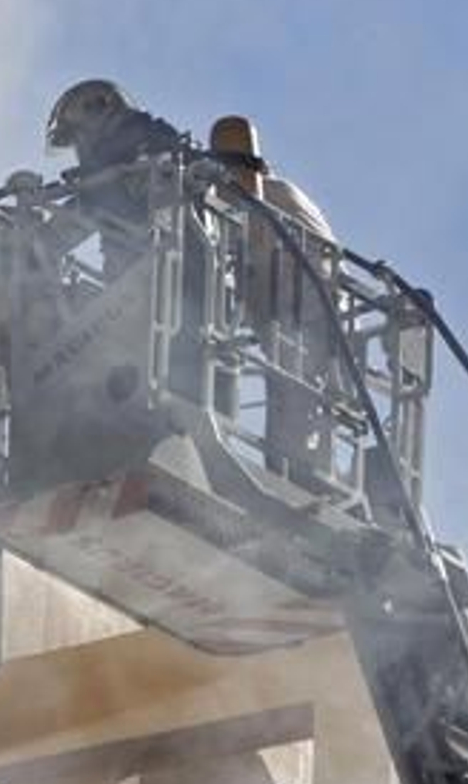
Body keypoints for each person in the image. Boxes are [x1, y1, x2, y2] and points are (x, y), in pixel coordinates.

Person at [210, 114, 338, 484]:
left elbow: (265, 254)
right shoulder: (266, 201)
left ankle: (304, 479)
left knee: (295, 422)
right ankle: (305, 476)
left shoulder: (270, 201)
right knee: (294, 420)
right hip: (300, 324)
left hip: (307, 319)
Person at [44, 78, 186, 278]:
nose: (80, 148)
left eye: (78, 136)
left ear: (97, 117)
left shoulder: (124, 168)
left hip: (154, 280)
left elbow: (66, 226)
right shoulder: (152, 146)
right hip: (165, 276)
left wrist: (28, 244)